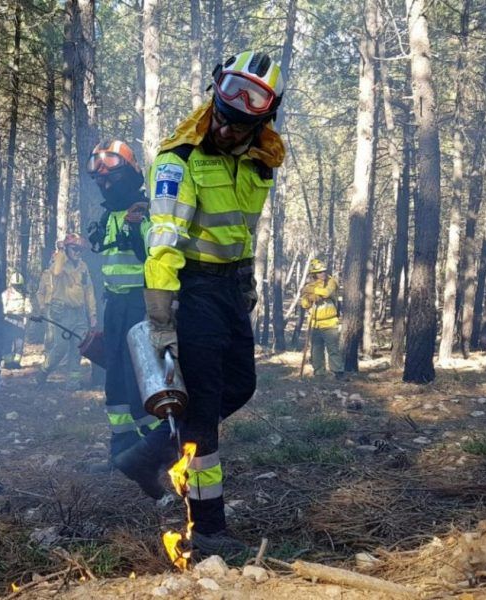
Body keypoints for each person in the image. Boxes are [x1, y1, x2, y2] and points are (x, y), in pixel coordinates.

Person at [132, 50, 286, 558]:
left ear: (262, 121)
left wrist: (245, 282)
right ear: (212, 102)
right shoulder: (178, 161)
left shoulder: (261, 165)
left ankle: (148, 453)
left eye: (238, 125)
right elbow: (163, 242)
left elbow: (243, 231)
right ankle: (208, 529)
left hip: (227, 290)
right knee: (202, 414)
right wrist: (161, 315)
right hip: (191, 288)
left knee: (240, 385)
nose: (224, 130)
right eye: (220, 118)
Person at [86, 140, 159, 466]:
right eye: (100, 180)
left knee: (139, 377)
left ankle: (159, 449)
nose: (105, 185)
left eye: (111, 178)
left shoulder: (143, 213)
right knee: (114, 375)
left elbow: (158, 258)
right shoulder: (106, 216)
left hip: (140, 305)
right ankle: (122, 451)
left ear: (128, 176)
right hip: (114, 306)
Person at [32, 234, 96, 387]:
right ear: (67, 249)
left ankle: (73, 383)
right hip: (61, 312)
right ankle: (43, 371)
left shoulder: (83, 267)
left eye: (80, 250)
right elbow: (56, 273)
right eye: (74, 249)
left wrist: (92, 314)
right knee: (60, 348)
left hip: (79, 313)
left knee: (77, 348)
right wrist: (61, 250)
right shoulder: (58, 262)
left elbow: (89, 290)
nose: (78, 252)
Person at [300, 258, 344, 380]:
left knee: (333, 348)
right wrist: (310, 298)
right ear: (313, 274)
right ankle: (319, 373)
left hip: (330, 322)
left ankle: (338, 372)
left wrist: (311, 290)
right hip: (314, 324)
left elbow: (326, 293)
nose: (323, 274)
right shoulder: (310, 286)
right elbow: (304, 304)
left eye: (324, 271)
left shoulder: (332, 282)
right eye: (319, 272)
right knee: (316, 350)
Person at [1, 272, 32, 369]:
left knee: (19, 343)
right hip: (8, 320)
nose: (17, 287)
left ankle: (16, 363)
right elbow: (2, 308)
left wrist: (27, 317)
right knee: (7, 342)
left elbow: (28, 308)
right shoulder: (6, 294)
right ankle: (8, 363)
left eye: (18, 285)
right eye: (15, 285)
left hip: (20, 320)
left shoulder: (25, 294)